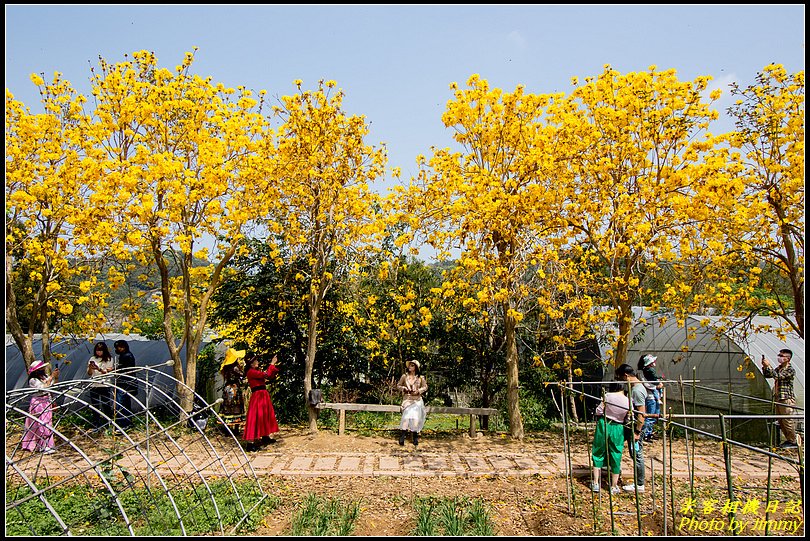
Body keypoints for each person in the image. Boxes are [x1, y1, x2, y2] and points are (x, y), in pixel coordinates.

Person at [591, 382, 631, 495]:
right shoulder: (628, 400)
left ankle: (595, 483)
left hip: (604, 424)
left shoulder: (608, 396)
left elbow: (598, 410)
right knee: (616, 453)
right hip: (618, 427)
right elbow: (628, 416)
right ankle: (613, 486)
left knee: (598, 450)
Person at [615, 363, 647, 493]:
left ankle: (639, 484)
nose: (621, 381)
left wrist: (637, 431)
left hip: (635, 428)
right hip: (631, 426)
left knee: (637, 454)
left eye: (622, 378)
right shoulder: (634, 388)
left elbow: (642, 414)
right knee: (633, 453)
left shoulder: (637, 390)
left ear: (627, 376)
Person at [761, 349, 798, 449]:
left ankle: (793, 441)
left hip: (786, 398)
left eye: (782, 355)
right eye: (779, 355)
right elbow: (768, 375)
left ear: (788, 358)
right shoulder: (779, 368)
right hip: (778, 397)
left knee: (787, 420)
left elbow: (777, 376)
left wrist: (769, 366)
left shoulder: (790, 370)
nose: (779, 357)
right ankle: (788, 440)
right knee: (781, 421)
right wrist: (765, 367)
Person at [21, 360, 60, 454]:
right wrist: (51, 377)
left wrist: (55, 377)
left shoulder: (44, 377)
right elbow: (42, 388)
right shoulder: (33, 380)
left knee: (48, 423)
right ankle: (43, 446)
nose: (43, 369)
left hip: (46, 401)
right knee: (41, 424)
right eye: (40, 368)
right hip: (38, 402)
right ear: (36, 371)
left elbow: (51, 386)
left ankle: (49, 445)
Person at [243, 354, 280, 451]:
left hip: (263, 395)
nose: (257, 362)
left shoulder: (255, 371)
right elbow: (266, 375)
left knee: (264, 415)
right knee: (255, 417)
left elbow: (269, 376)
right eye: (255, 361)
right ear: (251, 364)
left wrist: (273, 368)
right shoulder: (251, 372)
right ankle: (250, 444)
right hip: (258, 396)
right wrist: (272, 364)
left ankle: (265, 436)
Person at [397, 360, 428, 447]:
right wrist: (404, 388)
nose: (410, 367)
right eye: (409, 365)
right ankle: (402, 436)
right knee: (406, 416)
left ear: (416, 368)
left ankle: (415, 437)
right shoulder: (404, 376)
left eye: (412, 366)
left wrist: (418, 391)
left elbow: (425, 387)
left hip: (417, 400)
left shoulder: (420, 378)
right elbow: (398, 385)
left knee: (414, 417)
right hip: (407, 399)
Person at [87, 342, 115, 429]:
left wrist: (98, 368)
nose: (99, 352)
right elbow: (89, 373)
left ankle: (108, 424)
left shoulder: (109, 359)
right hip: (94, 385)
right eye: (97, 350)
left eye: (100, 350)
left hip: (104, 385)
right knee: (95, 405)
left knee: (106, 405)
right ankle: (96, 423)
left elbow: (106, 372)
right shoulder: (93, 358)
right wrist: (91, 368)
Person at [219, 348, 247, 435]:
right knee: (236, 407)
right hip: (234, 388)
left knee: (228, 408)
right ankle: (235, 429)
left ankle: (227, 429)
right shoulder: (235, 368)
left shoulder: (225, 368)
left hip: (227, 388)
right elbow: (243, 375)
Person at [637, 354, 664, 442]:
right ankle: (645, 434)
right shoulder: (642, 373)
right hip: (650, 397)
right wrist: (656, 387)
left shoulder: (649, 372)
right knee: (649, 415)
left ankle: (649, 433)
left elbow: (655, 381)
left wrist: (659, 384)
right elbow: (647, 384)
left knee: (655, 415)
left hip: (655, 397)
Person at [113, 339, 138, 428]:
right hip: (126, 383)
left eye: (119, 347)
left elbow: (125, 369)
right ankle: (127, 422)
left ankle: (123, 423)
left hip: (125, 383)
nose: (117, 349)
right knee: (126, 403)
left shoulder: (126, 356)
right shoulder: (126, 355)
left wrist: (115, 370)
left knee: (121, 403)